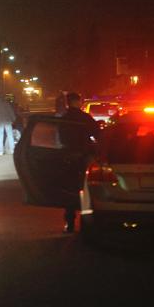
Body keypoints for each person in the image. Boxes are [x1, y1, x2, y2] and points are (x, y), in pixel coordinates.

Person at [59, 91, 100, 233]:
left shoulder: (63, 119)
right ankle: (87, 221)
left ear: (67, 103)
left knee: (70, 189)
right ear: (77, 102)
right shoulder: (85, 117)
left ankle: (69, 222)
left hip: (69, 157)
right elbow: (97, 133)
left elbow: (60, 138)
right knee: (87, 189)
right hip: (84, 157)